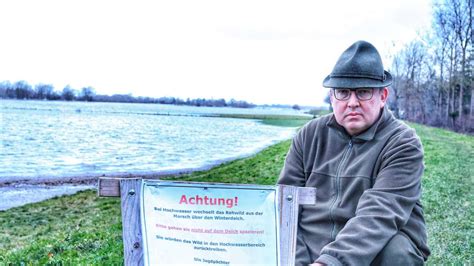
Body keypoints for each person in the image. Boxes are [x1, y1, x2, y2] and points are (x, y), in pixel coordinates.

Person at [278, 40, 430, 266]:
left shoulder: (403, 143)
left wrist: (329, 262)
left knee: (397, 253)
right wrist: (297, 260)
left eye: (363, 92)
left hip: (373, 247)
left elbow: (379, 214)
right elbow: (285, 204)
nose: (352, 103)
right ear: (332, 97)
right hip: (312, 248)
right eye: (343, 92)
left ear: (383, 96)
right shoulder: (309, 135)